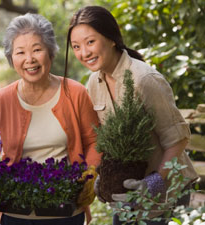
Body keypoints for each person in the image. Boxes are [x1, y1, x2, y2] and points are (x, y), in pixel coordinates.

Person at [65, 5, 198, 225]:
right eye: (76, 46)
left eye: (90, 42)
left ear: (112, 38)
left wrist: (155, 182)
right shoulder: (94, 82)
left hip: (167, 194)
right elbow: (106, 140)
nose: (84, 53)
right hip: (128, 195)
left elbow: (178, 137)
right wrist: (102, 176)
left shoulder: (144, 80)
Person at [0, 13, 101, 225]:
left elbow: (95, 140)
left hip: (67, 212)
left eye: (37, 50)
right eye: (20, 52)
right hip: (15, 215)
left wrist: (89, 174)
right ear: (12, 59)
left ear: (51, 52)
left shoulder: (75, 93)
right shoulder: (1, 100)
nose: (30, 59)